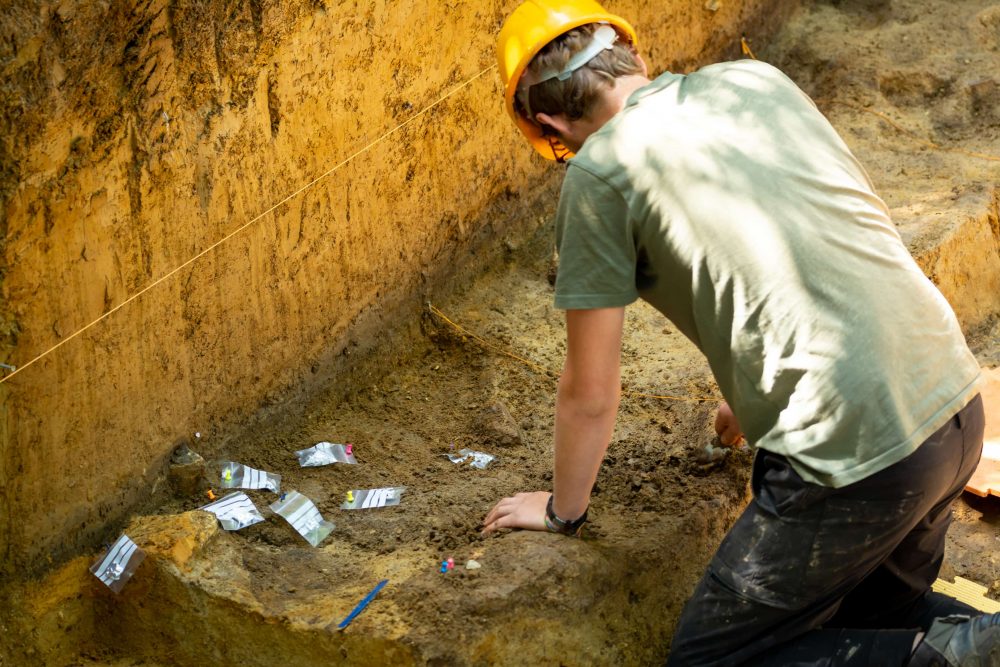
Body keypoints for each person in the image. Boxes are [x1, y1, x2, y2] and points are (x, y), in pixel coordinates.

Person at [481, 1, 998, 665]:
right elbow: (833, 229)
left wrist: (562, 510)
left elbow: (590, 390)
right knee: (877, 612)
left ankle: (964, 655)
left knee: (713, 659)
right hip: (950, 398)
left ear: (549, 125)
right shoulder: (754, 81)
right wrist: (755, 392)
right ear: (635, 57)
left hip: (857, 456)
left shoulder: (599, 174)